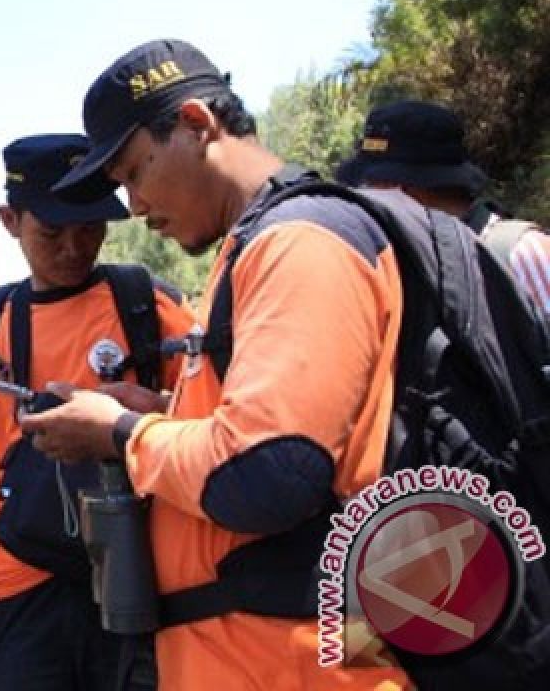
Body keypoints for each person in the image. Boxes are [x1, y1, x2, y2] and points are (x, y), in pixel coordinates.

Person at [24, 39, 411, 689]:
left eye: (134, 173)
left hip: (299, 661)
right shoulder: (251, 250)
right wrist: (161, 414)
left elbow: (266, 475)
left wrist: (120, 432)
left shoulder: (299, 245)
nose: (136, 208)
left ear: (197, 125)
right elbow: (259, 432)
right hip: (253, 656)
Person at [0, 134, 196, 690]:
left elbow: (213, 422)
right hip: (21, 590)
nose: (75, 247)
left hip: (141, 578)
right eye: (52, 232)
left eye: (90, 228)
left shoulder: (148, 305)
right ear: (10, 220)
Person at [335, 99, 550, 321]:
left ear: (400, 187)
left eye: (371, 186)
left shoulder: (521, 254)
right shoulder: (416, 267)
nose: (367, 200)